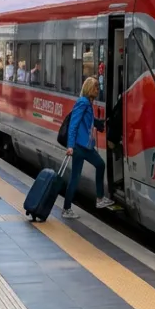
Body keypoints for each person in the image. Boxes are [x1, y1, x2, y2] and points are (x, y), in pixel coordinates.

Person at [63, 77, 109, 219]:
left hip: (85, 146)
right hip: (80, 147)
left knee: (92, 168)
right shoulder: (83, 103)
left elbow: (87, 122)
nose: (98, 90)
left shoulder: (88, 103)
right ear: (90, 88)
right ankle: (97, 199)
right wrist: (70, 146)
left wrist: (98, 124)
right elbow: (74, 125)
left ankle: (97, 199)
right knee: (82, 174)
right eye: (96, 88)